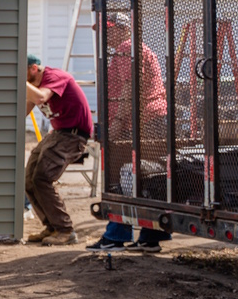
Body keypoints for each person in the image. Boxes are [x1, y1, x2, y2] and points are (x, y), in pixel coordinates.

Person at [87, 13, 172, 252]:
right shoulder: (133, 48)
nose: (105, 34)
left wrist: (118, 122)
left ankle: (117, 236)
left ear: (124, 29)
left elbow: (129, 87)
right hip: (148, 120)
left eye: (109, 29)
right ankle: (149, 237)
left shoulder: (127, 48)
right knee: (150, 180)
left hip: (142, 122)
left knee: (118, 177)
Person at [24, 53, 93, 246]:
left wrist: (18, 80)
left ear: (33, 69)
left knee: (42, 178)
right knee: (29, 178)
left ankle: (65, 230)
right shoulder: (35, 84)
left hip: (73, 135)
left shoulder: (54, 76)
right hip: (59, 133)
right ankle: (52, 226)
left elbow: (40, 97)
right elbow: (24, 109)